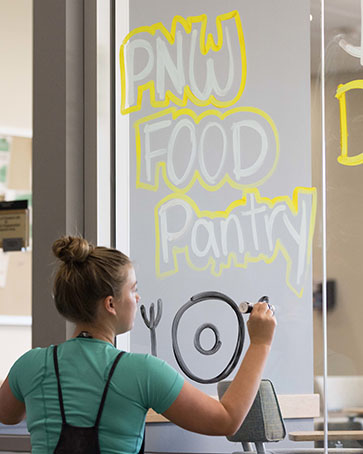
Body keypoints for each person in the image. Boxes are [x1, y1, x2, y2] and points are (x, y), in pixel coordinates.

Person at [0, 236, 276, 454]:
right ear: (110, 304)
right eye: (132, 290)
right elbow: (226, 420)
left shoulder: (31, 364)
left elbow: (8, 415)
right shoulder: (141, 371)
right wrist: (260, 344)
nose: (138, 297)